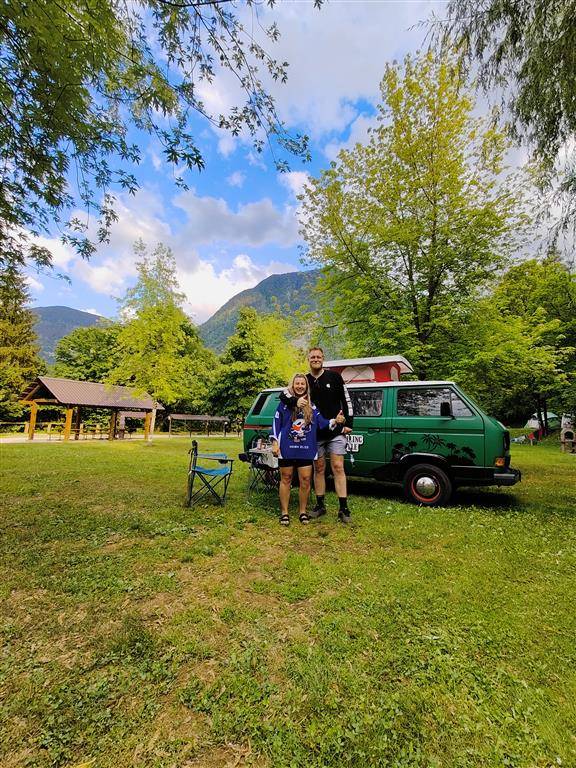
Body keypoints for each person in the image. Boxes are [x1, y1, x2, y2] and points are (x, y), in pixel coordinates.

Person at [280, 347, 354, 523]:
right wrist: (294, 401)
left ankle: (343, 508)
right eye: (312, 357)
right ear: (308, 359)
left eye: (318, 356)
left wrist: (348, 424)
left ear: (323, 358)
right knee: (319, 469)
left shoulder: (334, 377)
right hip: (314, 434)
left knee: (338, 467)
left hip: (335, 430)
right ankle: (320, 505)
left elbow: (347, 400)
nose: (315, 359)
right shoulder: (304, 380)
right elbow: (284, 395)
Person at [271, 373, 345, 526]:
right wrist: (275, 442)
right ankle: (284, 513)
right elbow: (276, 423)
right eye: (297, 383)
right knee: (286, 479)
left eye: (302, 384)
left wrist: (335, 421)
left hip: (305, 448)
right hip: (287, 448)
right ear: (293, 385)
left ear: (306, 386)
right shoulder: (285, 403)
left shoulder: (312, 406)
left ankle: (302, 512)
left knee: (305, 481)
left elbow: (322, 423)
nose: (299, 386)